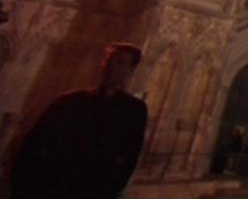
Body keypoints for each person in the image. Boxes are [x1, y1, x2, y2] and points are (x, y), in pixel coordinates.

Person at [9, 42, 149, 199]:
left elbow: (131, 154)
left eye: (120, 62)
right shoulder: (70, 101)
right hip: (54, 184)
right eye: (108, 60)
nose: (111, 66)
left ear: (131, 70)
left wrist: (112, 187)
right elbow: (36, 140)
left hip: (93, 187)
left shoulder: (134, 110)